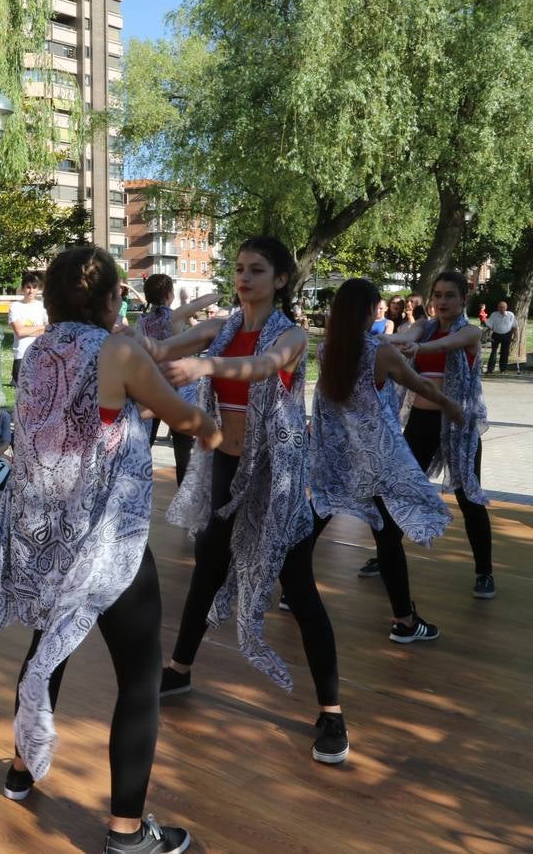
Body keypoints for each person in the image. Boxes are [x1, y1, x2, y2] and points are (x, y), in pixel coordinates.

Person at [0, 245, 219, 854]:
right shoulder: (115, 349)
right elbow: (181, 418)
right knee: (139, 678)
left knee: (47, 644)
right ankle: (128, 834)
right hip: (107, 537)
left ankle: (19, 766)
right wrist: (220, 432)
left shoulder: (37, 352)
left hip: (46, 535)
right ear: (111, 298)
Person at [147, 236, 349, 765]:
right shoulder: (220, 329)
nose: (244, 277)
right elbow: (162, 350)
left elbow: (264, 368)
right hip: (227, 468)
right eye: (238, 268)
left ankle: (331, 713)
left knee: (300, 588)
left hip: (277, 477)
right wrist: (106, 338)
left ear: (280, 279)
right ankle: (179, 670)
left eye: (256, 270)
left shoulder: (292, 336)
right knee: (208, 566)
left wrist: (206, 369)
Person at [310, 279, 465, 643]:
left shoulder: (327, 349)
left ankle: (292, 589)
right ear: (367, 310)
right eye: (376, 307)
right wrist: (449, 405)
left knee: (316, 516)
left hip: (338, 453)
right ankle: (405, 621)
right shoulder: (377, 353)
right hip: (375, 458)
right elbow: (422, 386)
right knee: (387, 535)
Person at [378, 271, 496, 598]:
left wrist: (417, 346)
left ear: (463, 300)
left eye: (449, 296)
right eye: (438, 295)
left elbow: (446, 344)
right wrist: (373, 338)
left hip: (458, 425)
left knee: (469, 498)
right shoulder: (423, 327)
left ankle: (484, 571)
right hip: (421, 423)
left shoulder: (469, 331)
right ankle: (386, 553)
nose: (442, 302)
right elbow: (403, 336)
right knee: (399, 488)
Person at [135, 275, 218, 486]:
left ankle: (136, 484)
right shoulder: (175, 317)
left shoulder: (142, 321)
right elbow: (207, 299)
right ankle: (184, 492)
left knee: (144, 443)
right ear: (169, 294)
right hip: (178, 383)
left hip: (152, 383)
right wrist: (187, 300)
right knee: (183, 447)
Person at [8, 273, 46, 387]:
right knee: (22, 390)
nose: (31, 291)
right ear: (23, 288)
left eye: (34, 287)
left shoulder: (42, 306)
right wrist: (40, 327)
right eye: (28, 287)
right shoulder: (15, 306)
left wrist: (27, 330)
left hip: (40, 353)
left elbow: (49, 330)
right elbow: (19, 331)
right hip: (21, 354)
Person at [485, 300, 517, 374]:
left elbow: (514, 327)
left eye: (503, 307)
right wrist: (488, 336)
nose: (502, 309)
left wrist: (515, 336)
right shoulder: (494, 314)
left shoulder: (510, 315)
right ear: (498, 308)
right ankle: (490, 369)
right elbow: (489, 326)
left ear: (506, 307)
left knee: (504, 352)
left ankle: (503, 369)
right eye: (500, 307)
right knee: (493, 352)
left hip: (507, 334)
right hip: (496, 334)